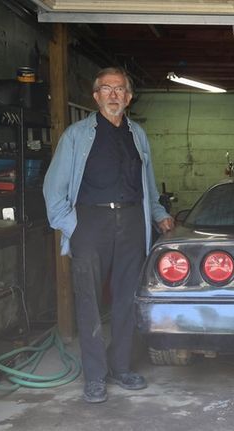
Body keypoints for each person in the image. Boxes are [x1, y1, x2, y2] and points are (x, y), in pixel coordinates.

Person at [43, 67, 174, 403]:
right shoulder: (76, 135)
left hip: (131, 221)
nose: (114, 94)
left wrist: (158, 215)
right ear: (96, 96)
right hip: (90, 221)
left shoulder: (138, 134)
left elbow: (147, 183)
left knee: (127, 297)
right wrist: (71, 225)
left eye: (120, 89)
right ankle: (95, 376)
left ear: (128, 98)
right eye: (107, 88)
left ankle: (121, 367)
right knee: (88, 299)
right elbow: (53, 188)